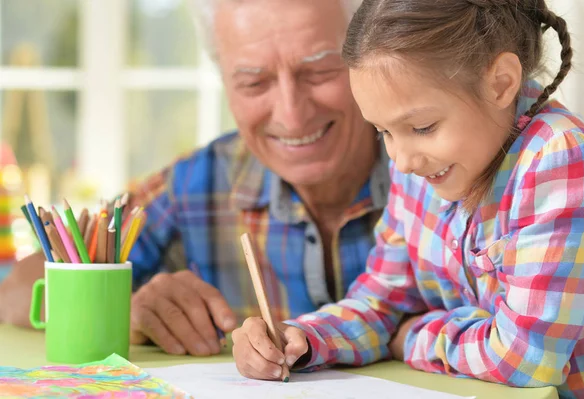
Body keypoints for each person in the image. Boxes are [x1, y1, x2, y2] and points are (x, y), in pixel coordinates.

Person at [231, 0, 584, 397]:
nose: (401, 160)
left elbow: (527, 359)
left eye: (422, 127)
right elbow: (380, 302)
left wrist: (412, 336)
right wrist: (304, 339)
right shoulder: (420, 168)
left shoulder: (556, 155)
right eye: (383, 132)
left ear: (501, 83)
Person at [0, 0, 391, 358]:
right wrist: (124, 310)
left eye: (320, 71)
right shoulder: (195, 184)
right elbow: (17, 289)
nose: (291, 115)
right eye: (254, 83)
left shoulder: (432, 175)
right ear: (224, 82)